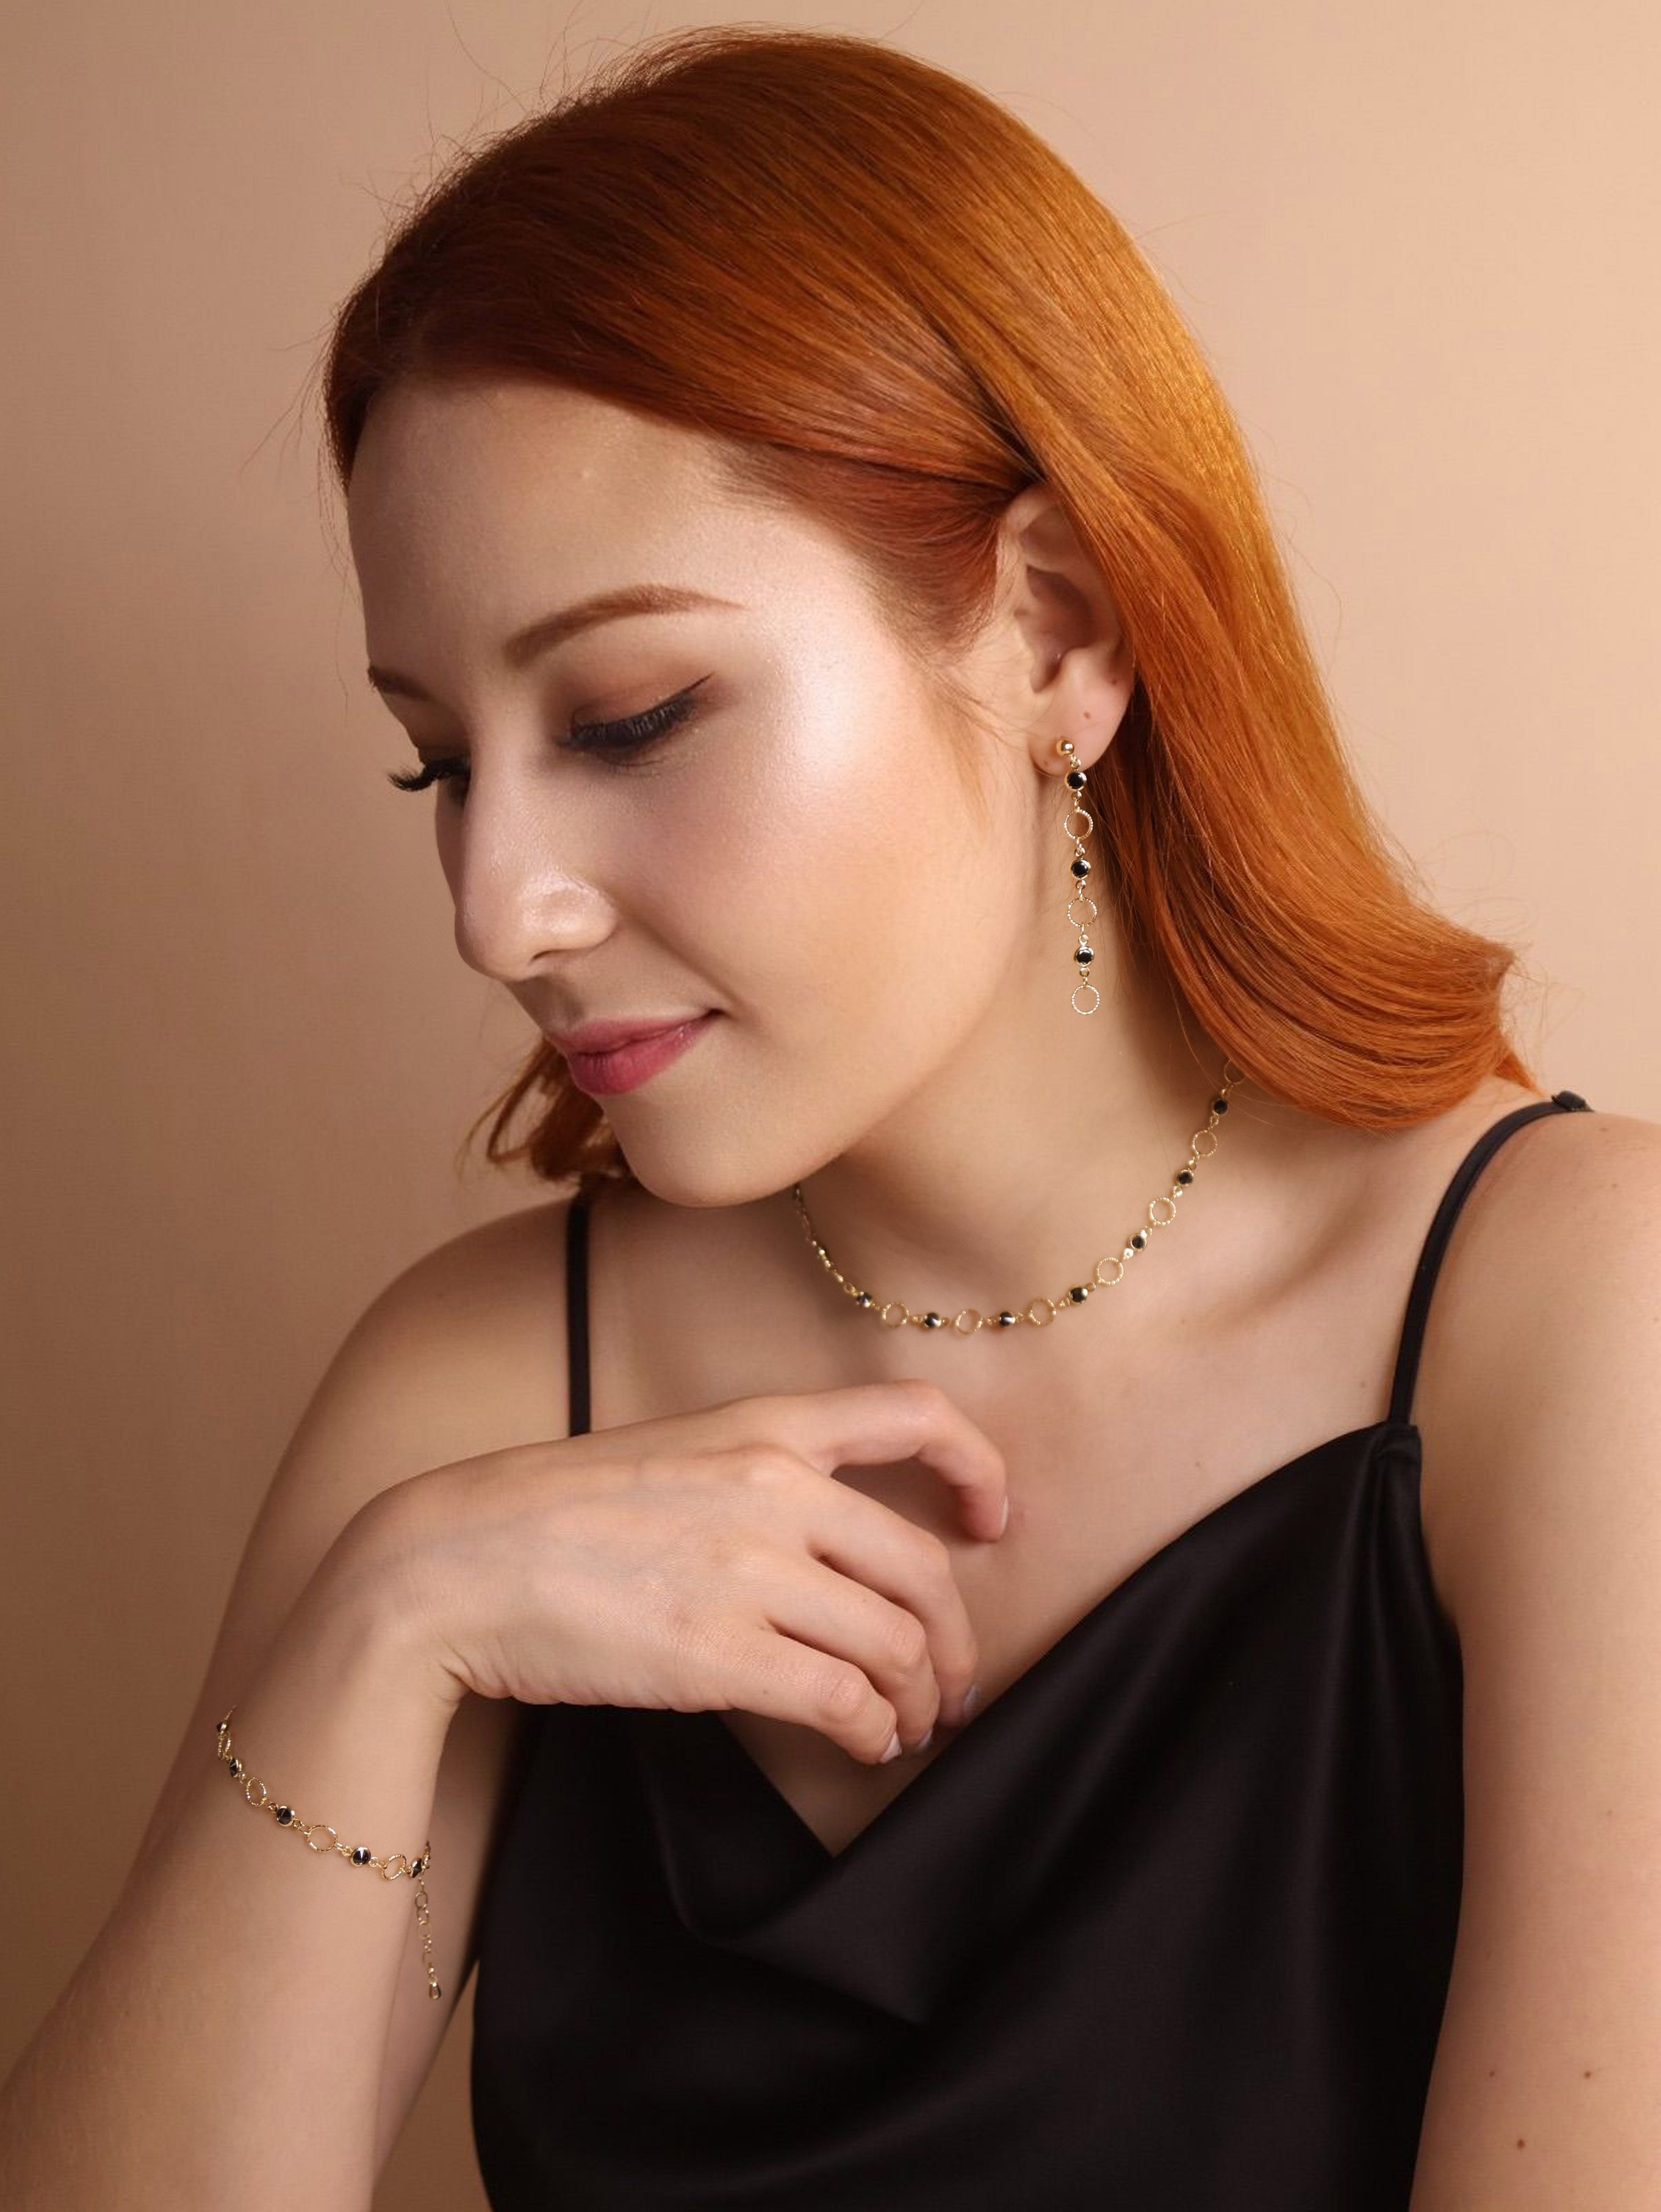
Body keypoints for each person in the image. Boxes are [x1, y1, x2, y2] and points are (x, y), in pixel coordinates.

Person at [3, 23, 1656, 2212]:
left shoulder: (1571, 1325)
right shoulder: (481, 1392)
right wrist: (390, 1618)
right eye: (437, 761)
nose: (502, 906)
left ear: (1057, 630)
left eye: (628, 711)